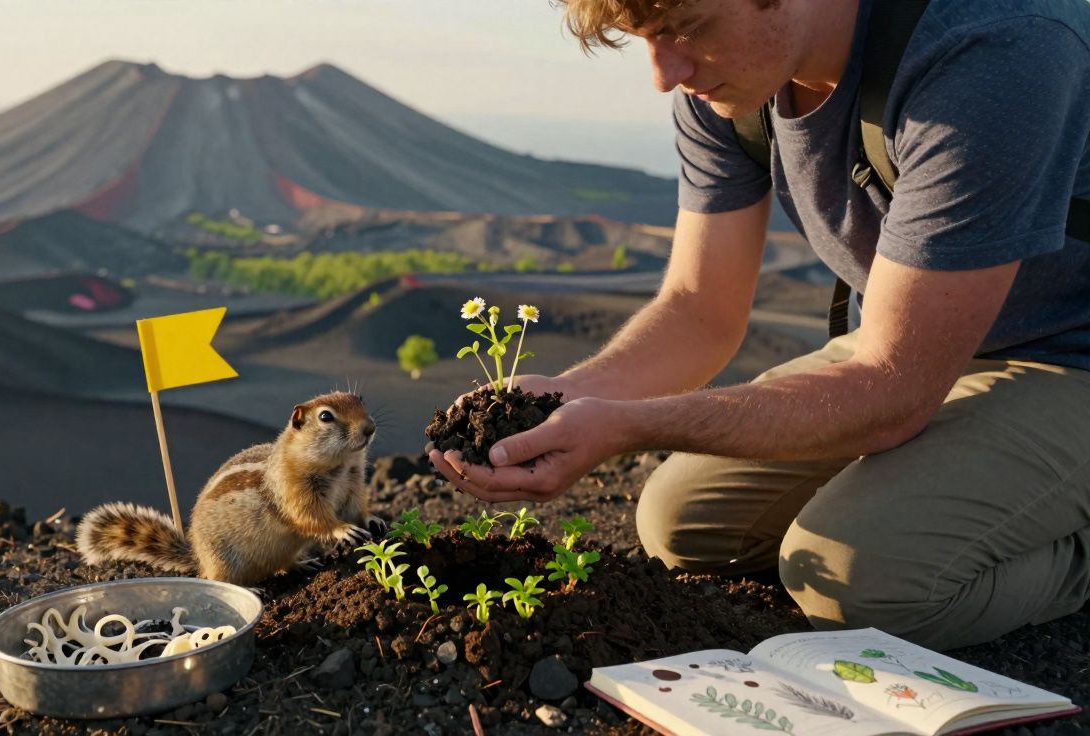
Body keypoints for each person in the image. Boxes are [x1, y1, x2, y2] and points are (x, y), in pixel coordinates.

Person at [426, 0, 1090, 650]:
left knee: (865, 582)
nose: (664, 72)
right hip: (913, 339)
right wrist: (563, 401)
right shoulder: (731, 87)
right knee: (681, 525)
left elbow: (892, 394)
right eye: (646, 37)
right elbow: (698, 310)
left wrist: (626, 427)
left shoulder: (995, 48)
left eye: (686, 28)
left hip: (1066, 358)